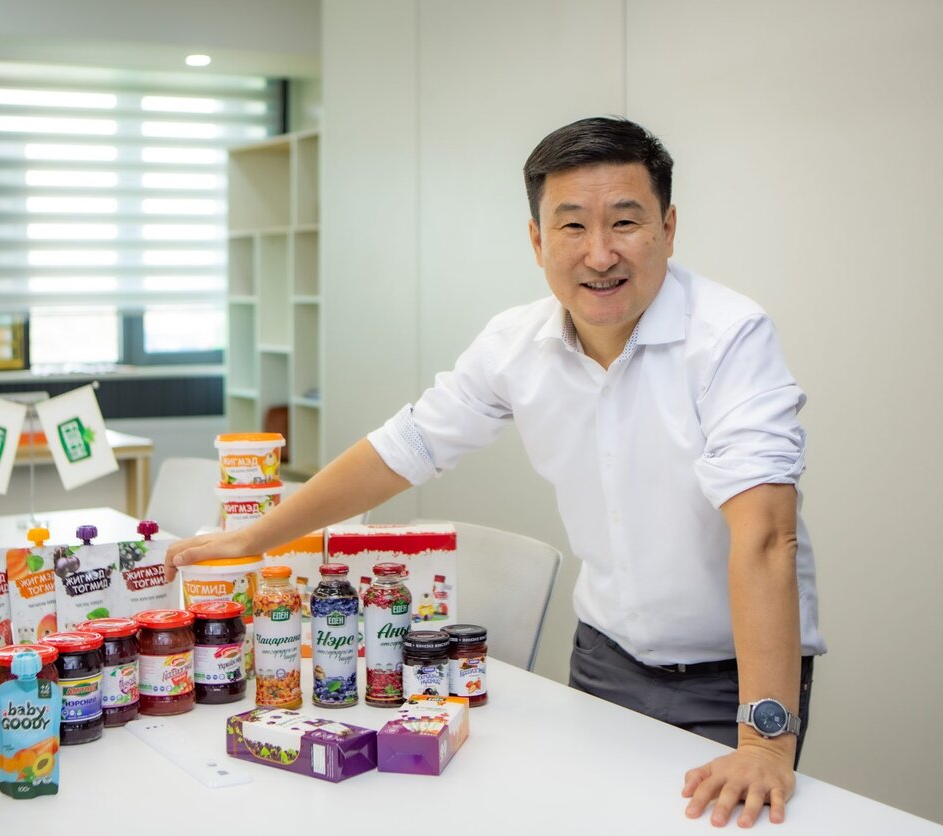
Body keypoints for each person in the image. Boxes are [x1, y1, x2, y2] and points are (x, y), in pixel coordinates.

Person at [164, 117, 824, 828]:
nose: (600, 253)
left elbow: (764, 538)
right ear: (538, 240)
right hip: (602, 657)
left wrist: (763, 738)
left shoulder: (730, 337)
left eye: (625, 222)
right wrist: (255, 538)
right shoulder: (517, 344)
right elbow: (405, 447)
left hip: (732, 678)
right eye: (571, 226)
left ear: (667, 227)